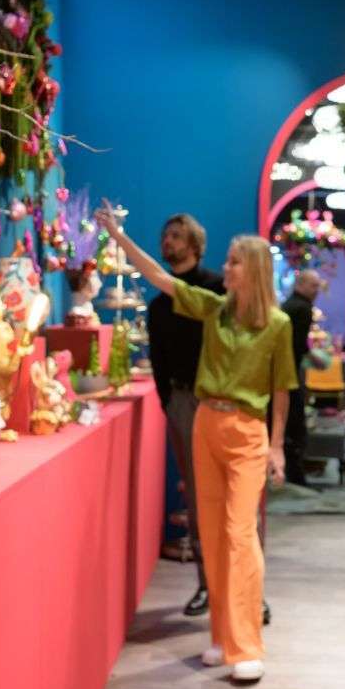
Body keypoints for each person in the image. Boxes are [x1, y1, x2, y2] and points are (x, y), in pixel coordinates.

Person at [97, 204, 297, 683]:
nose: (225, 268)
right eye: (227, 260)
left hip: (247, 431)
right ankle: (223, 638)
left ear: (253, 270)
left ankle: (247, 644)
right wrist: (118, 237)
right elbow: (157, 277)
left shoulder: (277, 324)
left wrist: (276, 446)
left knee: (240, 533)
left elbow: (282, 388)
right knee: (211, 533)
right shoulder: (213, 309)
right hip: (207, 423)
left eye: (234, 262)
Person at [146, 214, 225, 618]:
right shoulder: (158, 306)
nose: (168, 241)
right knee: (197, 495)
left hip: (221, 403)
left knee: (237, 496)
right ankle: (207, 584)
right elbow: (158, 360)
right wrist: (170, 402)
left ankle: (247, 590)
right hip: (181, 402)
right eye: (165, 235)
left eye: (176, 235)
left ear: (194, 243)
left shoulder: (217, 289)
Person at [280, 270, 321, 487]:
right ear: (301, 284)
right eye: (313, 286)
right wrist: (312, 357)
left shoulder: (288, 305)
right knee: (295, 428)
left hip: (283, 374)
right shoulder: (303, 308)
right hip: (290, 377)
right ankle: (296, 478)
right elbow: (297, 345)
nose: (317, 291)